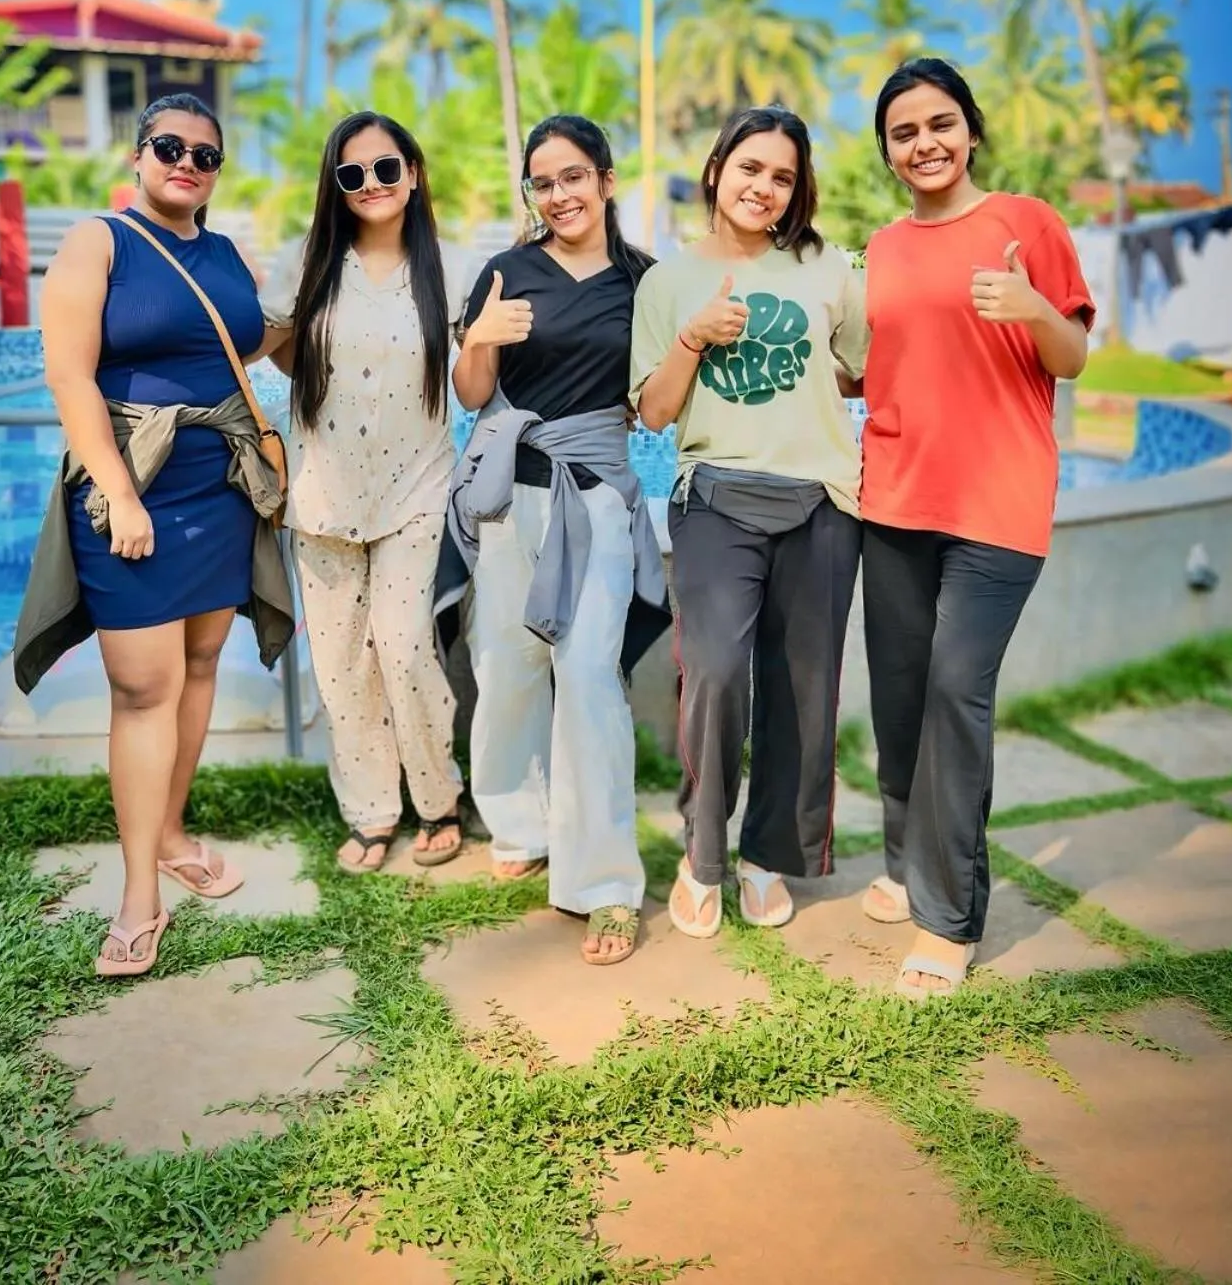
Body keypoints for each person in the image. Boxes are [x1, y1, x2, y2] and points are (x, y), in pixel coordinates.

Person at [19, 92, 293, 979]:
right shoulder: (98, 240)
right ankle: (140, 896)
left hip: (218, 485)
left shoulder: (221, 251)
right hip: (133, 485)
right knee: (144, 686)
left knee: (204, 662)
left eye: (205, 154)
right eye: (170, 146)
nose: (187, 161)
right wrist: (117, 492)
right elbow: (69, 376)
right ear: (140, 154)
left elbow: (244, 340)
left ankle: (173, 830)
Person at [860, 57, 1093, 998]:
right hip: (894, 500)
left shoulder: (1026, 224)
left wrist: (1031, 305)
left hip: (997, 505)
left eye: (940, 122)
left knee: (957, 693)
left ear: (972, 127)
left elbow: (1071, 355)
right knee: (901, 699)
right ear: (886, 150)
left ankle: (948, 918)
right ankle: (908, 858)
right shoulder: (876, 248)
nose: (925, 142)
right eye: (905, 131)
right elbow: (871, 366)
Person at [434, 114, 669, 966]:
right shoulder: (504, 270)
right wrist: (478, 342)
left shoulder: (644, 281)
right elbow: (471, 393)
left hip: (596, 500)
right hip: (507, 501)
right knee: (504, 672)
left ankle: (604, 881)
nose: (560, 194)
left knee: (590, 679)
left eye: (575, 175)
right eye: (543, 180)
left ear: (607, 180)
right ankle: (520, 821)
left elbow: (651, 407)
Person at [631, 106, 867, 939]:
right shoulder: (666, 282)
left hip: (822, 503)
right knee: (721, 671)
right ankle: (704, 852)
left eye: (782, 176)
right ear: (717, 168)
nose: (764, 186)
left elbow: (865, 368)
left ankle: (768, 854)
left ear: (798, 189)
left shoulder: (827, 267)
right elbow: (654, 413)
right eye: (750, 168)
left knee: (803, 689)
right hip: (717, 498)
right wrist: (693, 338)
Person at [275, 112, 466, 875]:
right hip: (323, 491)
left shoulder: (452, 266)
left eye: (387, 168)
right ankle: (369, 811)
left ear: (413, 172)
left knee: (405, 643)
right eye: (352, 175)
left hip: (416, 488)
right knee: (342, 666)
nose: (372, 185)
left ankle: (439, 797)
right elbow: (288, 357)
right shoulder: (311, 264)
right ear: (336, 186)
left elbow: (476, 373)